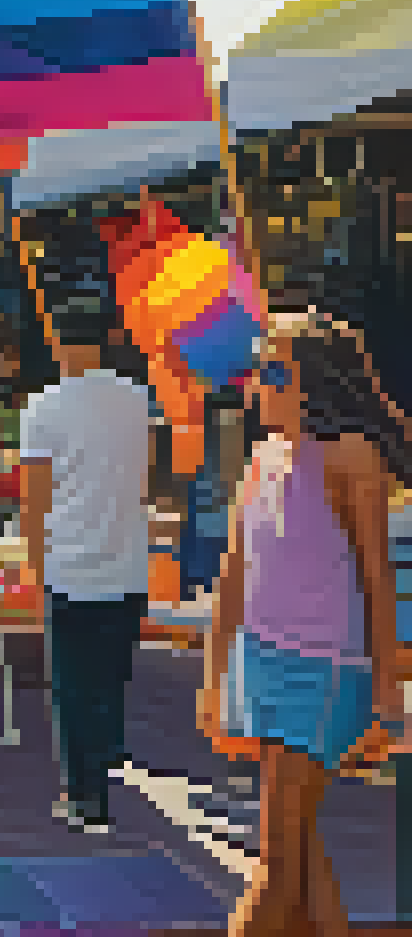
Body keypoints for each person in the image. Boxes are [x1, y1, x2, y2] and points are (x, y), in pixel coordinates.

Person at [202, 312, 403, 937]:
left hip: (326, 673)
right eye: (257, 370)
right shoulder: (261, 457)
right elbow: (232, 579)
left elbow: (376, 577)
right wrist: (215, 681)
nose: (256, 384)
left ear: (309, 382)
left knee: (278, 862)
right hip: (262, 666)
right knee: (302, 852)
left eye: (272, 371)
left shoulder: (349, 456)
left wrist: (388, 688)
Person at [16, 301, 153, 833]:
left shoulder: (43, 408)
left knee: (72, 686)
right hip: (126, 557)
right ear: (108, 339)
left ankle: (86, 796)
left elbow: (32, 502)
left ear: (55, 339)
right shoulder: (137, 400)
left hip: (68, 561)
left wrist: (33, 570)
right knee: (111, 676)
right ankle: (106, 761)